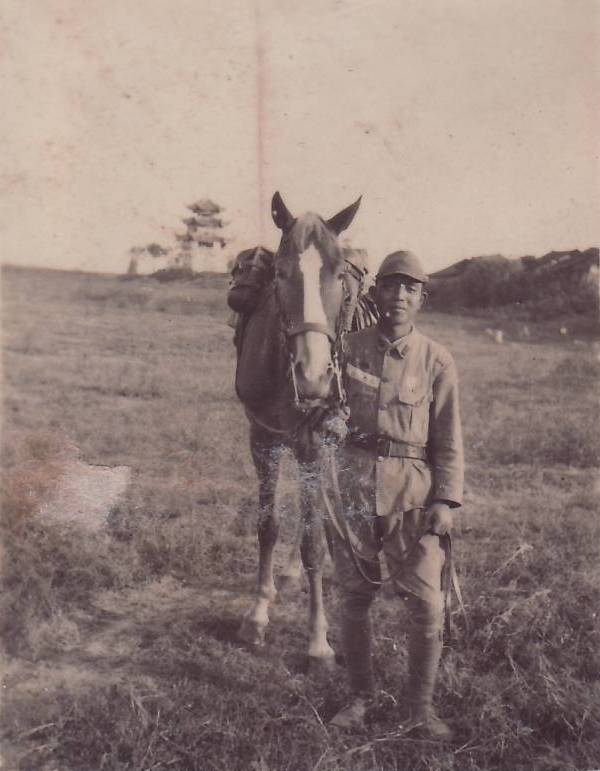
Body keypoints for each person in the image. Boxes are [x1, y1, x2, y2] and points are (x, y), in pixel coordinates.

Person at [328, 250, 464, 740]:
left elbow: (448, 438)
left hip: (412, 497)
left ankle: (419, 710)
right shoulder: (346, 350)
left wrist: (445, 500)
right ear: (376, 292)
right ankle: (359, 698)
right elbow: (319, 408)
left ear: (422, 298)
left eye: (410, 288)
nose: (399, 296)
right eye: (390, 286)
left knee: (427, 604)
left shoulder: (436, 360)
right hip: (352, 490)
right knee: (354, 597)